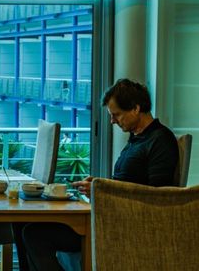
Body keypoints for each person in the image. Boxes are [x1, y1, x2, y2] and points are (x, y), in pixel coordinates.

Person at [22, 78, 179, 271]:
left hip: (124, 226)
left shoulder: (160, 140)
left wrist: (102, 191)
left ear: (136, 108)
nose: (112, 121)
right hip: (112, 216)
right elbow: (128, 183)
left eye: (116, 114)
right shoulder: (138, 138)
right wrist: (99, 184)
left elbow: (158, 196)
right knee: (28, 227)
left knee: (34, 234)